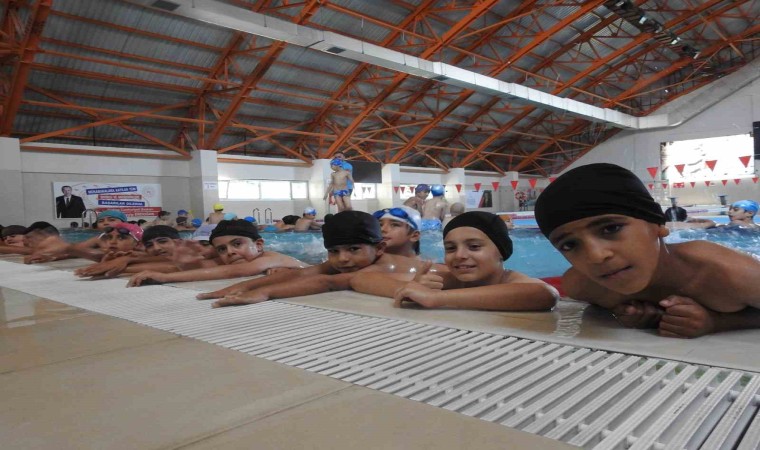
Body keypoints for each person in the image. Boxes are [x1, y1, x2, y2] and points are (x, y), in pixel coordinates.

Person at [534, 163, 760, 338]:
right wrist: (626, 313)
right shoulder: (582, 286)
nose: (596, 256)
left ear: (658, 224)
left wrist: (717, 322)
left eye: (611, 229)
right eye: (569, 245)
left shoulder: (732, 273)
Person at [198, 210, 424, 307]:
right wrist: (240, 287)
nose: (342, 259)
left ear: (380, 248)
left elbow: (327, 283)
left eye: (353, 249)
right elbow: (303, 273)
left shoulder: (385, 264)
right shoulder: (353, 262)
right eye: (334, 251)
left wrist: (264, 293)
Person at [350, 211, 557, 310]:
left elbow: (545, 294)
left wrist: (437, 298)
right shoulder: (449, 279)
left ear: (501, 252)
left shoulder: (512, 281)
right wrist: (410, 288)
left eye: (474, 247)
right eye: (450, 248)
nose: (459, 255)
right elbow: (361, 279)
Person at [127, 219, 307, 287]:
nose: (230, 252)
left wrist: (165, 278)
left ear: (259, 245)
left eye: (237, 244)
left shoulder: (269, 257)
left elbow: (235, 271)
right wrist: (185, 263)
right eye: (222, 249)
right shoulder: (246, 262)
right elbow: (204, 269)